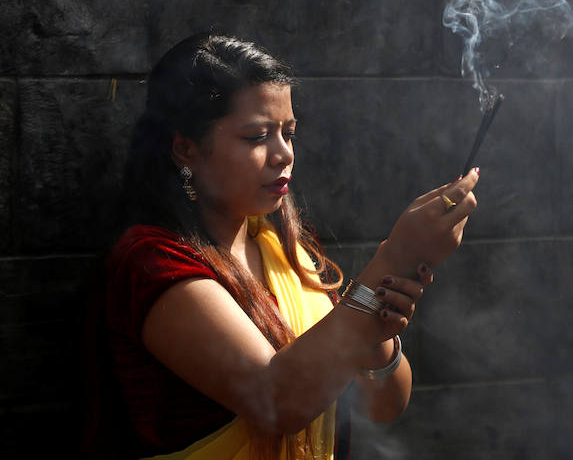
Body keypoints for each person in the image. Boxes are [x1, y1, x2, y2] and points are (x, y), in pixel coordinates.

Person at [98, 34, 479, 459]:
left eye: (289, 133)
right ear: (186, 149)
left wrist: (378, 315)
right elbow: (276, 401)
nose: (283, 154)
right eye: (257, 136)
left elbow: (381, 405)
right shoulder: (152, 262)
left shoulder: (284, 249)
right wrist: (395, 257)